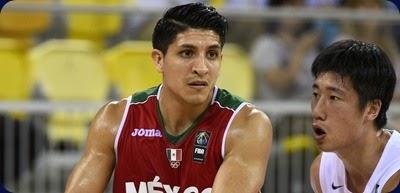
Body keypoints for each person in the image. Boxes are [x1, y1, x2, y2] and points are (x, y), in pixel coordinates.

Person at [64, 3, 273, 193]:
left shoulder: (246, 125)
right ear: (158, 60)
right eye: (187, 53)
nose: (201, 68)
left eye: (211, 55)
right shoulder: (114, 120)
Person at [309, 39, 400, 193]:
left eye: (334, 98)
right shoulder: (321, 171)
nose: (317, 111)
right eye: (316, 94)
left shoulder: (395, 171)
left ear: (372, 109)